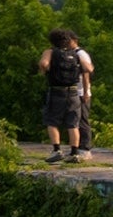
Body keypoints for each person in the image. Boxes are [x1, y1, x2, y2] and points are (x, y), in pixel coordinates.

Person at [38, 28, 90, 163]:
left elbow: (44, 64)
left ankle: (56, 150)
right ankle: (74, 153)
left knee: (52, 120)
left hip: (56, 90)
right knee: (73, 123)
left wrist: (44, 69)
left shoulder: (50, 52)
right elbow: (88, 68)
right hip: (73, 92)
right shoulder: (76, 54)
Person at [70, 33, 95, 161]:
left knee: (83, 120)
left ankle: (85, 148)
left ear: (75, 40)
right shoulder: (69, 53)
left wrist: (85, 92)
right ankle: (77, 147)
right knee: (74, 120)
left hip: (81, 92)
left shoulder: (80, 54)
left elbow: (86, 75)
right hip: (74, 92)